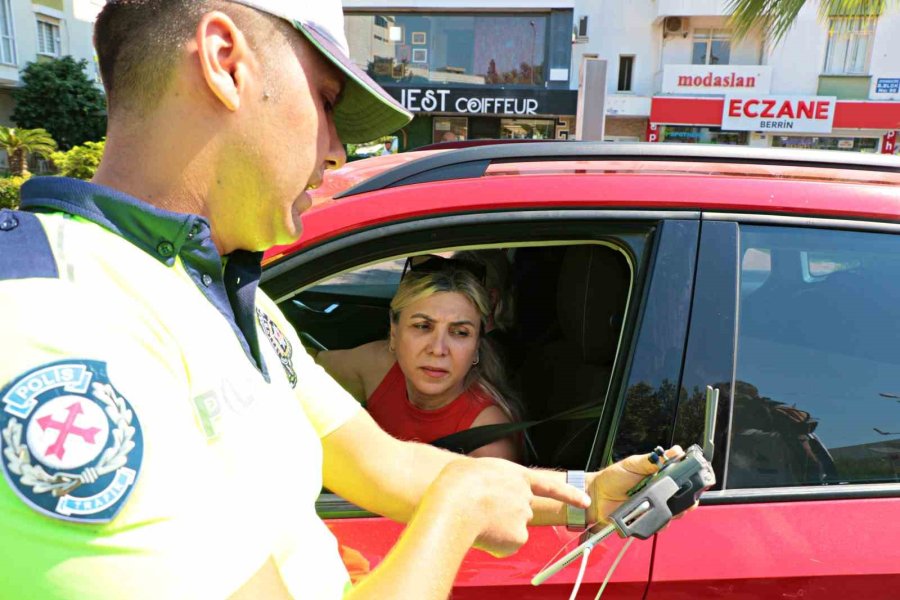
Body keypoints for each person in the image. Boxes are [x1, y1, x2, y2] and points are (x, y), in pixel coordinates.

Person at [0, 1, 684, 598]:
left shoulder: (224, 294)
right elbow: (438, 489)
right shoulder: (58, 331)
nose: (336, 151)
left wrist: (584, 496)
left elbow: (386, 462)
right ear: (224, 62)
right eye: (327, 103)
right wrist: (457, 513)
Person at [317, 256, 521, 461]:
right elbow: (305, 368)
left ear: (477, 345)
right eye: (423, 326)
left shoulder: (488, 444)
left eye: (460, 332)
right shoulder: (379, 365)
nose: (438, 349)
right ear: (394, 331)